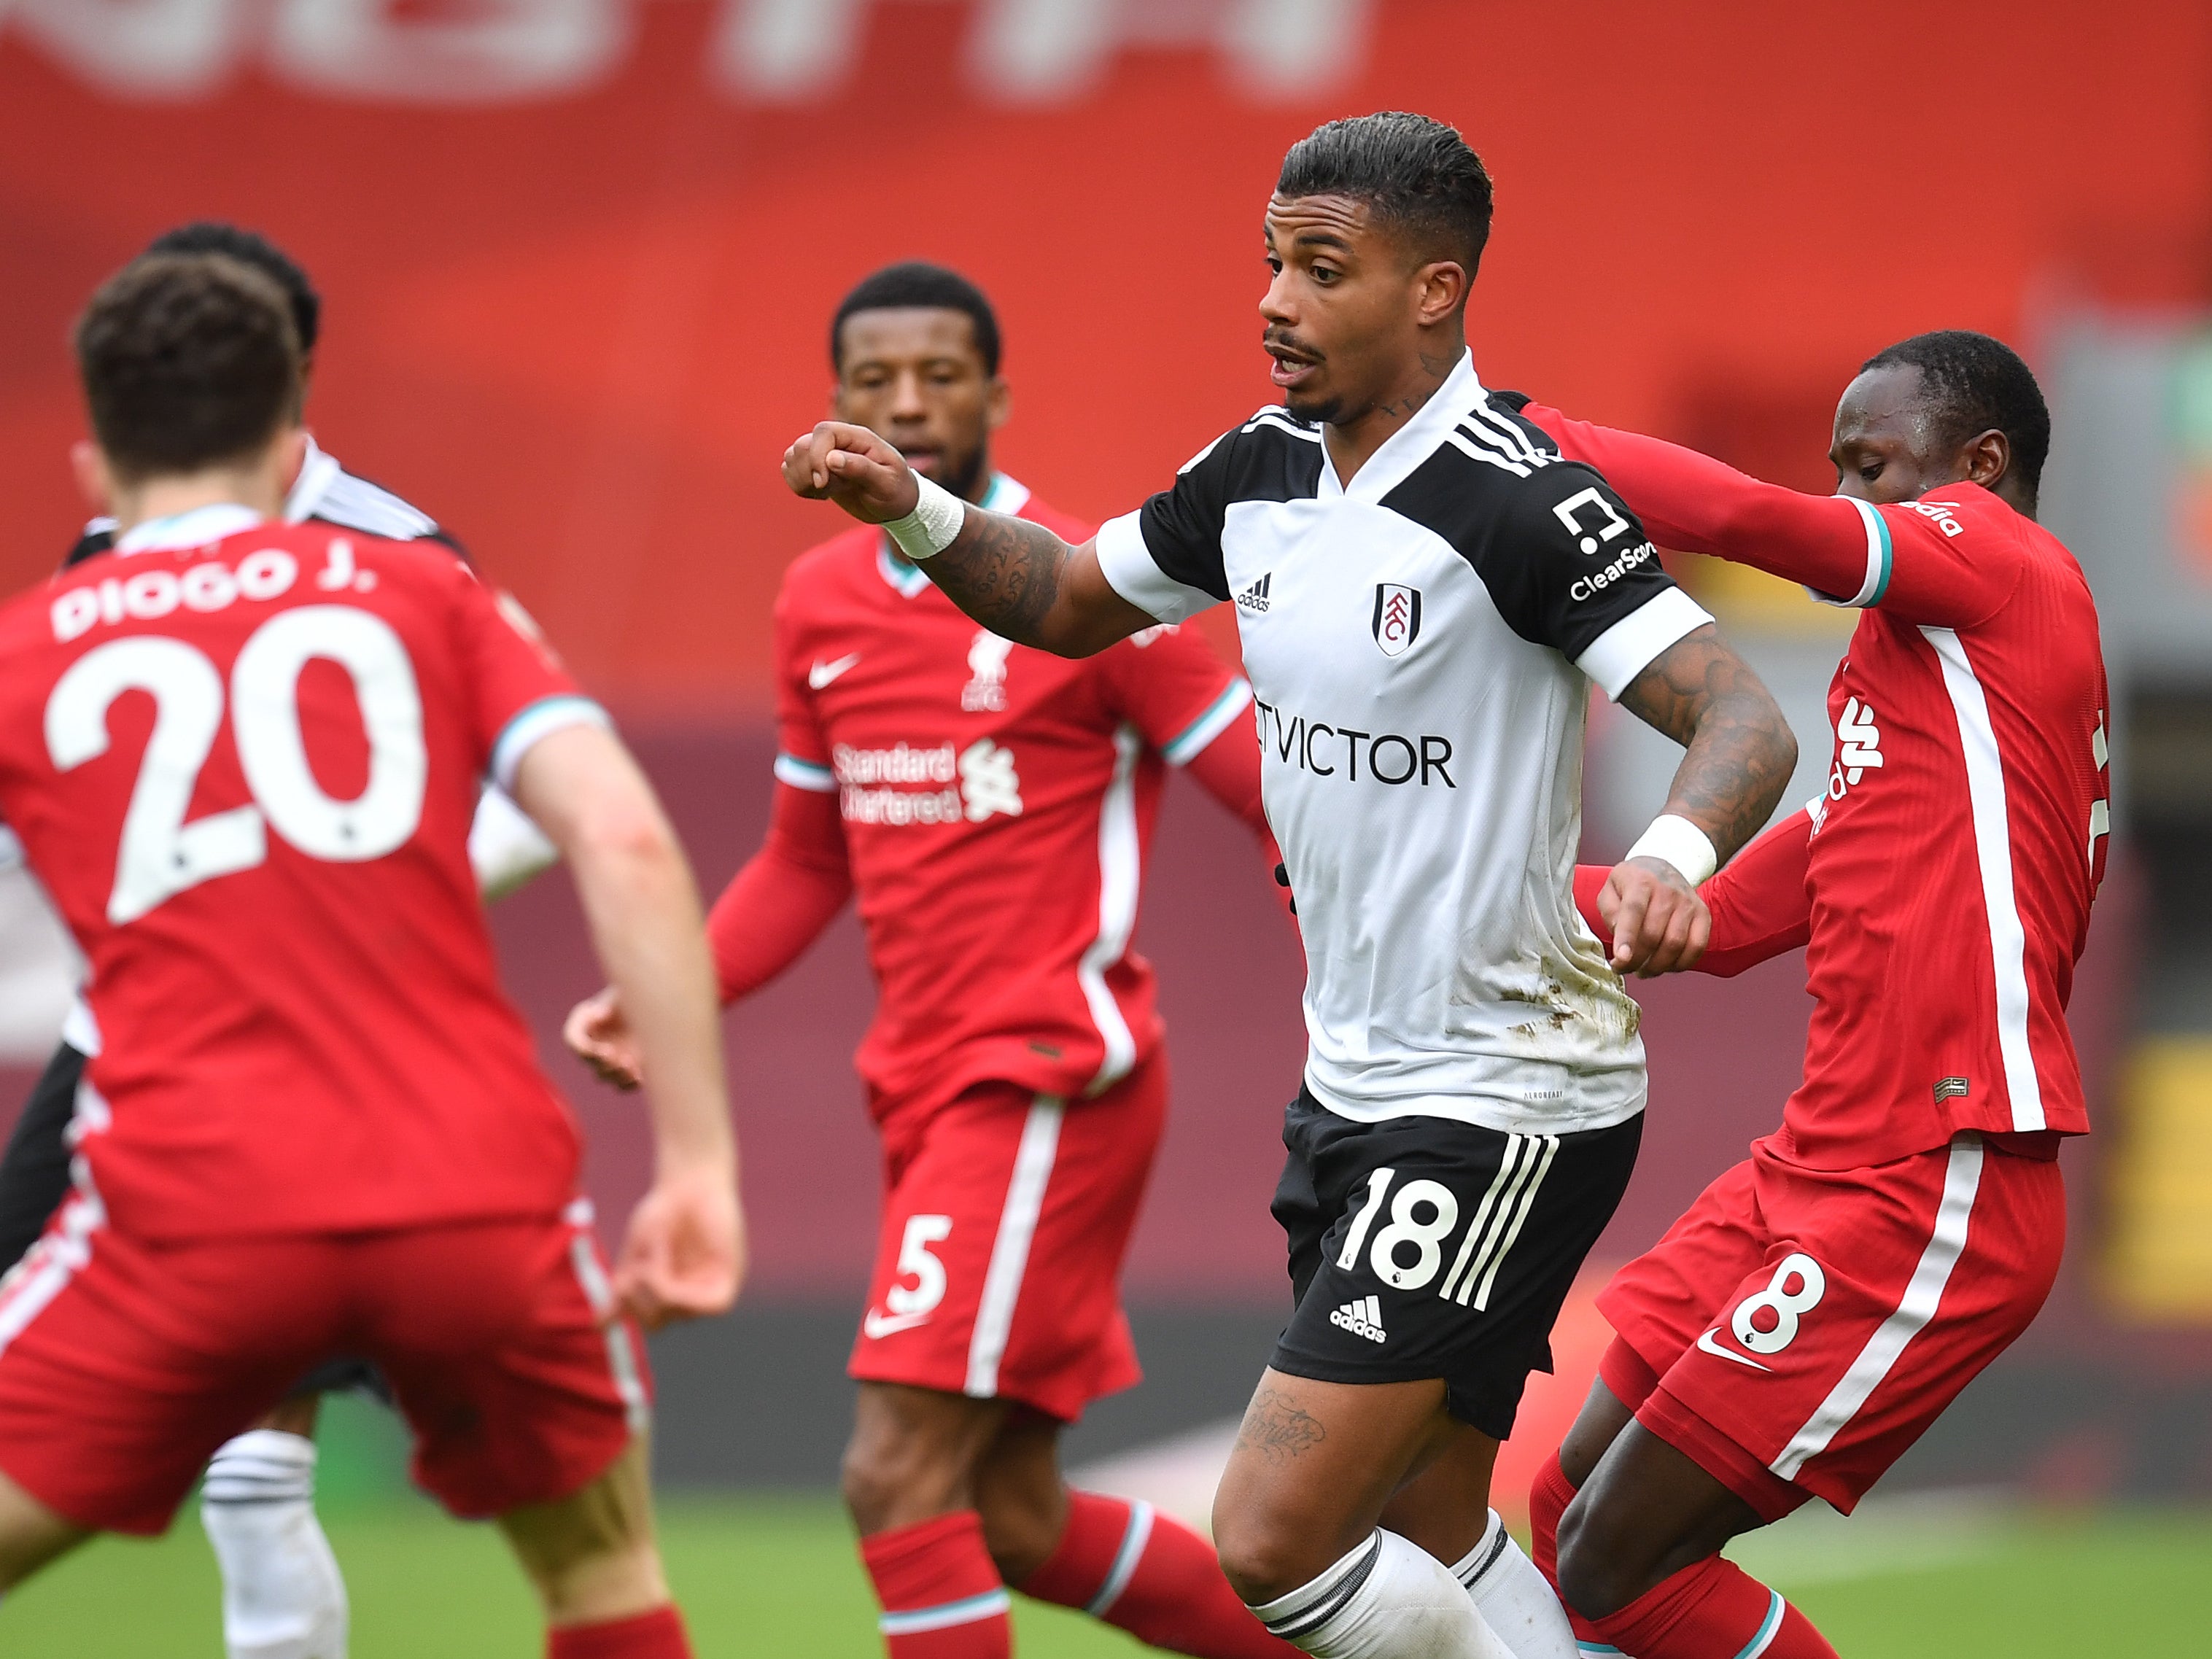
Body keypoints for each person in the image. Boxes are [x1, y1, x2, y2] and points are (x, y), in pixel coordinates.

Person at [779, 116, 1798, 1659]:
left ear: (1432, 290)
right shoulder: (1252, 474)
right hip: (1355, 1089)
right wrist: (912, 513)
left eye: (1321, 270)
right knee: (1428, 1532)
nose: (1274, 299)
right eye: (1270, 260)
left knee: (1269, 1537)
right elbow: (1064, 598)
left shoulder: (1518, 499)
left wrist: (1666, 859)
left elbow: (1742, 714)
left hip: (1502, 1087)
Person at [0, 252, 741, 1659]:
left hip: (191, 1203)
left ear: (95, 467)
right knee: (605, 1582)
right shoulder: (420, 591)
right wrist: (699, 1167)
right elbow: (626, 841)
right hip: (468, 1193)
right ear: (292, 443)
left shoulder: (31, 649)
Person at [568, 261, 1299, 1659]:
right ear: (835, 401)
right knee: (1010, 1513)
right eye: (874, 380)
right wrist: (671, 998)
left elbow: (1275, 790)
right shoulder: (819, 604)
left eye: (940, 375)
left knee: (891, 1479)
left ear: (996, 396)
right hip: (921, 1090)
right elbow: (802, 862)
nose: (907, 403)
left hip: (1045, 1080)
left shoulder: (1088, 591)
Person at [1508, 331, 2108, 1659]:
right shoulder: (1913, 692)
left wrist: (1525, 441)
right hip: (1814, 1165)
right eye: (1835, 465)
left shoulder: (2011, 568)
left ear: (1980, 466)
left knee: (1617, 1564)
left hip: (1940, 1175)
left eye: (1873, 466)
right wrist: (1466, 895)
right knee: (1563, 1516)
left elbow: (1752, 523)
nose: (1846, 495)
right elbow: (1716, 922)